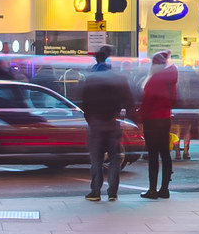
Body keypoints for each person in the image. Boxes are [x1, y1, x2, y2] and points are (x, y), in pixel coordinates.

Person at [76, 51, 134, 202]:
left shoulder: (91, 79)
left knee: (96, 159)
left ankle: (95, 191)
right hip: (112, 122)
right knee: (114, 158)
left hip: (96, 123)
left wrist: (91, 120)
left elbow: (84, 103)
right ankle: (113, 192)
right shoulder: (119, 79)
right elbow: (129, 102)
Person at [138, 52, 182, 199]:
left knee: (153, 155)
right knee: (165, 153)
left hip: (152, 120)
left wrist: (138, 116)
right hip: (165, 119)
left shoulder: (155, 80)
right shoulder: (171, 80)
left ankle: (152, 189)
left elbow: (147, 103)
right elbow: (174, 101)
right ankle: (164, 189)